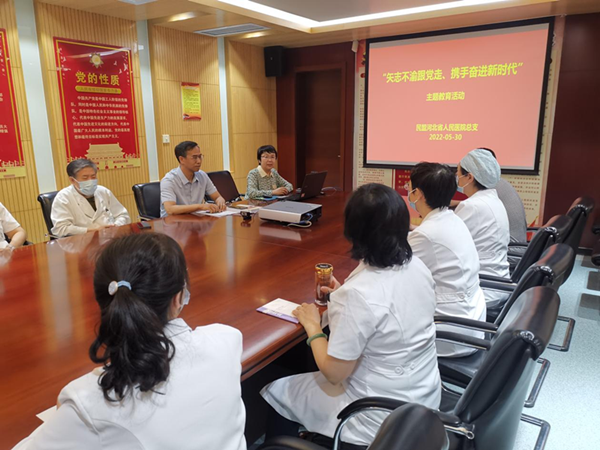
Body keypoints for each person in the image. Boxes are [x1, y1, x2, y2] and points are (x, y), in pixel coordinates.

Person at [13, 233, 246, 450]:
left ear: (103, 300)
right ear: (178, 298)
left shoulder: (90, 402)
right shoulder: (227, 341)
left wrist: (67, 412)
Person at [261, 183, 441, 448]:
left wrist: (313, 327)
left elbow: (335, 373)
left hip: (376, 414)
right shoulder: (417, 266)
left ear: (352, 232)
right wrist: (343, 292)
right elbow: (385, 308)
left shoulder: (359, 294)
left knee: (277, 391)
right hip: (422, 398)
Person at [406, 163, 486, 358]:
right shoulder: (451, 218)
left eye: (409, 187)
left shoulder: (426, 235)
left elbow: (394, 275)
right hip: (471, 320)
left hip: (450, 331)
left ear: (418, 194)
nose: (407, 190)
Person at [455, 148, 510, 309]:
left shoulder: (471, 206)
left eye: (458, 174)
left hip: (483, 288)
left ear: (470, 177)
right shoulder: (492, 199)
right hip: (497, 282)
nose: (457, 178)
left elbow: (445, 243)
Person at [51, 159, 131, 237]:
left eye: (93, 177)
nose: (90, 181)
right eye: (85, 178)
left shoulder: (103, 191)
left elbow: (122, 215)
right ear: (72, 180)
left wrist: (116, 226)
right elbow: (61, 228)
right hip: (81, 243)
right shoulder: (63, 198)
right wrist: (92, 230)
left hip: (111, 238)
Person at [160, 141, 226, 217]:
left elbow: (217, 197)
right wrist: (200, 206)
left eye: (200, 156)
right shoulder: (169, 180)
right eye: (194, 157)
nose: (199, 161)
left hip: (195, 222)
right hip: (174, 224)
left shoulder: (202, 175)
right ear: (181, 159)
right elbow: (170, 209)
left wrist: (220, 201)